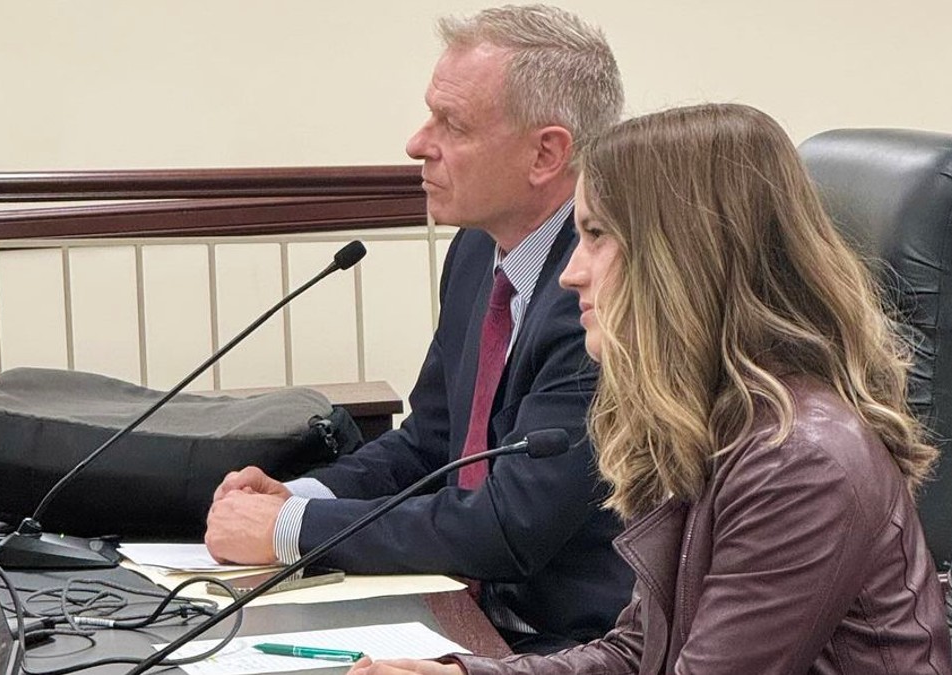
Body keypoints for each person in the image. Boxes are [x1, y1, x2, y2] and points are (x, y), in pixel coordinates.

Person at [345, 103, 952, 674]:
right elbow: (640, 651)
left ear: (682, 259)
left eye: (597, 236)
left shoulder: (799, 462)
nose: (570, 272)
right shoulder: (712, 417)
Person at [204, 4, 634, 654]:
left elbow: (510, 525)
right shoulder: (474, 252)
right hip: (456, 609)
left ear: (546, 152)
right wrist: (300, 492)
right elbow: (431, 443)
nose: (417, 142)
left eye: (451, 123)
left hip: (565, 644)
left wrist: (294, 526)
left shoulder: (604, 292)